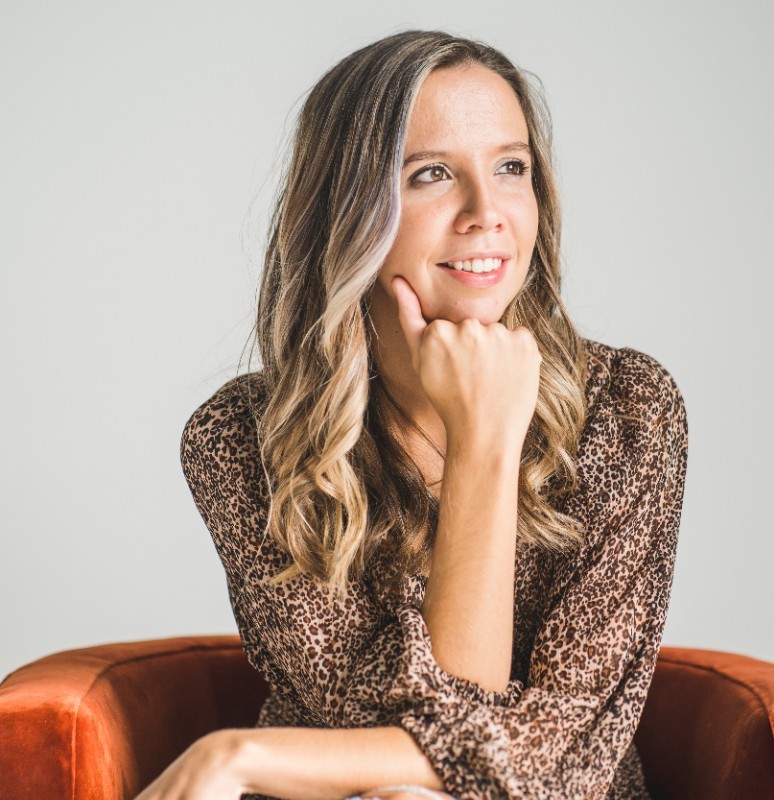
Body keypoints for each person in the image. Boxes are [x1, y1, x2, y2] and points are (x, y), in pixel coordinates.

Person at [137, 30, 688, 800]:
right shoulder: (241, 438)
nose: (486, 213)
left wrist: (235, 757)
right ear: (349, 210)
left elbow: (558, 756)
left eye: (511, 167)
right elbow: (400, 726)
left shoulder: (626, 410)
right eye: (431, 174)